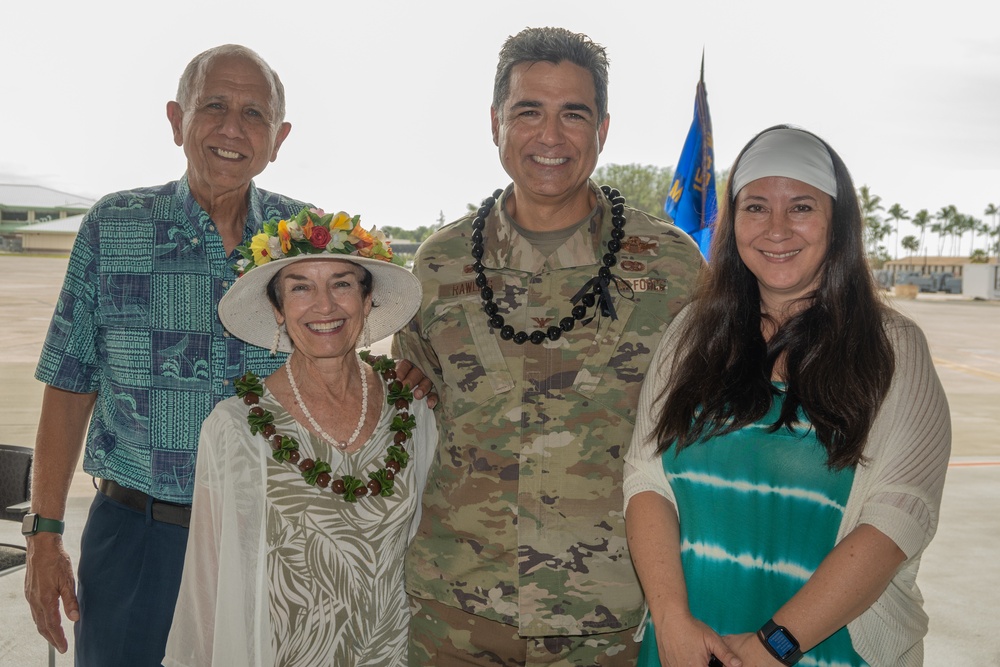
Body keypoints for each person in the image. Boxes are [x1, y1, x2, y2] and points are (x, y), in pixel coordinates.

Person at [22, 44, 431, 665]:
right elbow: (69, 382)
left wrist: (407, 372)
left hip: (273, 538)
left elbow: (338, 345)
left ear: (280, 137)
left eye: (254, 114)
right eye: (214, 106)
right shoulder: (114, 227)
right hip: (140, 536)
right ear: (175, 118)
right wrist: (44, 533)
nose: (232, 129)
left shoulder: (305, 240)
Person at [392, 27, 703, 665]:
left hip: (608, 617)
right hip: (454, 613)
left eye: (574, 114)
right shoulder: (439, 265)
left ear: (604, 129)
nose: (550, 137)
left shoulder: (672, 267)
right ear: (496, 122)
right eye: (528, 111)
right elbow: (413, 401)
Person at [623, 125, 951, 667]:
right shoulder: (691, 335)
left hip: (825, 651)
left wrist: (773, 645)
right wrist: (671, 619)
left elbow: (899, 516)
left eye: (801, 206)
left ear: (837, 223)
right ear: (733, 224)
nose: (776, 229)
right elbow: (645, 479)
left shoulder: (894, 350)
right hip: (688, 643)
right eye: (755, 207)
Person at [163, 207, 436, 666]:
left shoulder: (413, 408)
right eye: (300, 287)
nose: (324, 305)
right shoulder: (234, 428)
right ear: (277, 309)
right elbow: (208, 583)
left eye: (342, 283)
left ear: (367, 301)